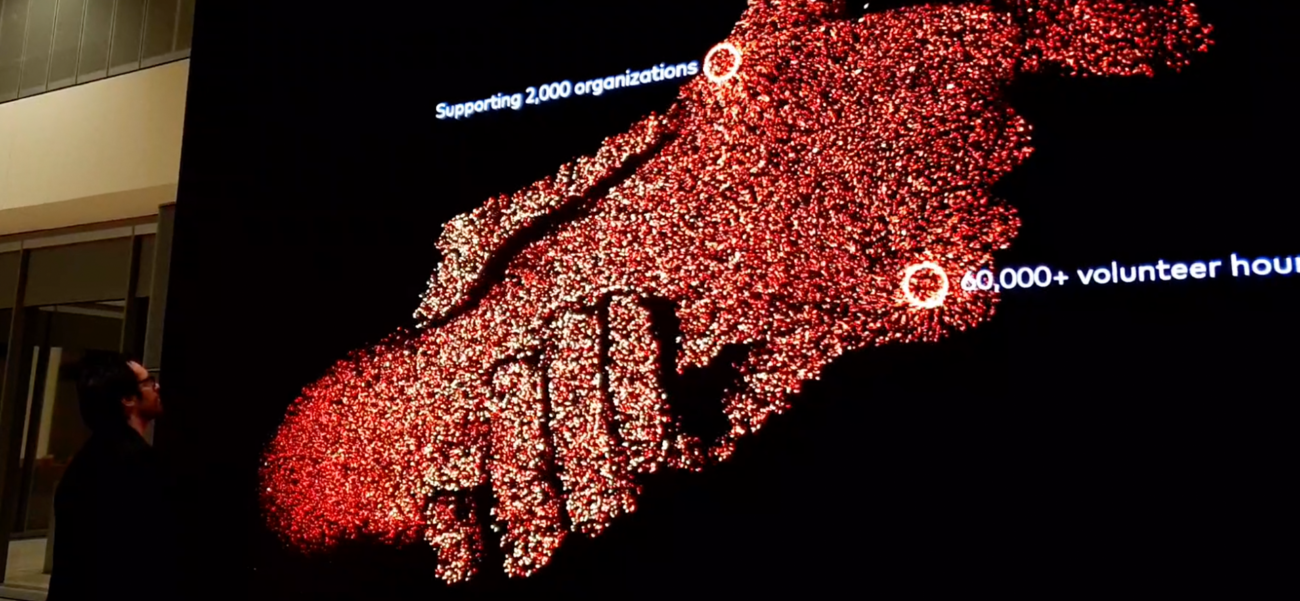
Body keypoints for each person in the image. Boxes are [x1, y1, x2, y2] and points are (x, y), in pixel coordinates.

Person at [47, 352, 176, 601]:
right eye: (148, 382)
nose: (157, 387)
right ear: (127, 399)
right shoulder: (137, 464)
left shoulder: (86, 461)